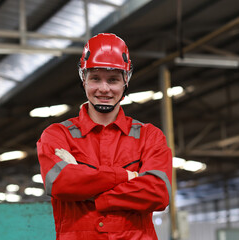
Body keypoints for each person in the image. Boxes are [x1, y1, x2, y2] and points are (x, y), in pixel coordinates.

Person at [37, 33, 172, 240]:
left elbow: (158, 193)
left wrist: (87, 188)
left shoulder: (149, 136)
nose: (104, 88)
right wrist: (127, 177)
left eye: (113, 80)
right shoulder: (57, 135)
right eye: (95, 79)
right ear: (84, 80)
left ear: (126, 81)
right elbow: (60, 183)